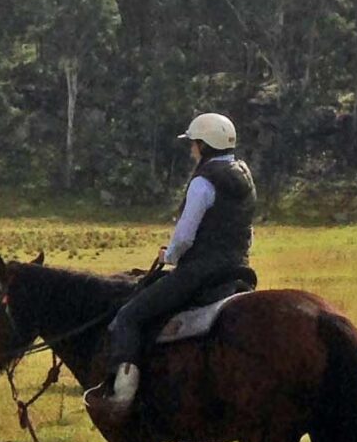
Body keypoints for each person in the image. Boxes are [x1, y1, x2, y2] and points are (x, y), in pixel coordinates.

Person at [88, 112, 257, 424]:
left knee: (128, 316)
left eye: (193, 144)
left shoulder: (204, 181)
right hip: (237, 270)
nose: (192, 150)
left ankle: (121, 398)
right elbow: (245, 230)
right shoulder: (243, 176)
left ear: (204, 145)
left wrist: (170, 256)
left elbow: (184, 235)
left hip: (200, 273)